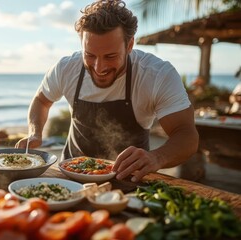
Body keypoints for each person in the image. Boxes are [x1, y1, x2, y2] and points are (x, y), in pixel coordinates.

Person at [15, 0, 199, 183]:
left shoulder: (157, 75)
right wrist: (35, 132)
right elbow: (41, 100)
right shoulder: (66, 68)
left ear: (129, 45)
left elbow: (186, 134)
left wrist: (157, 158)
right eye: (90, 55)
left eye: (110, 56)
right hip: (70, 178)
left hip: (129, 180)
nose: (99, 67)